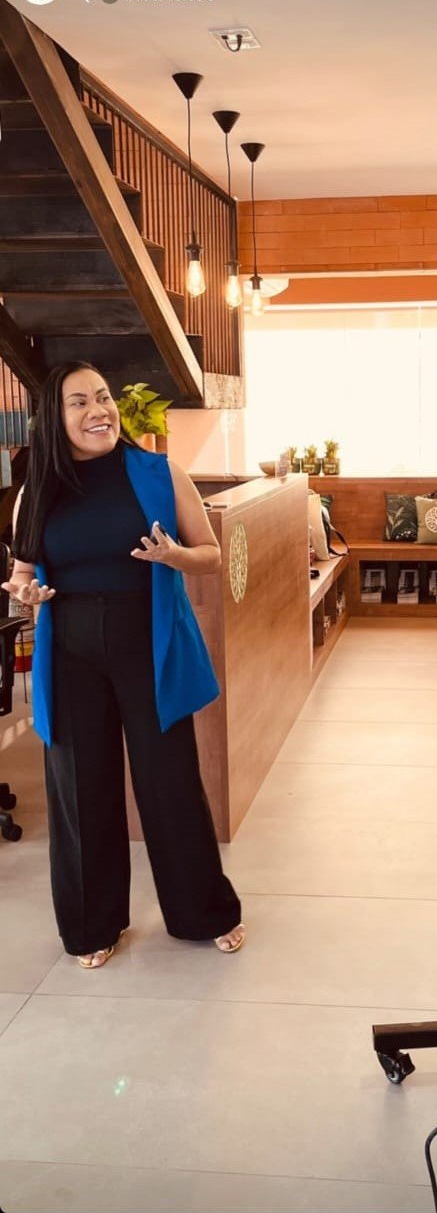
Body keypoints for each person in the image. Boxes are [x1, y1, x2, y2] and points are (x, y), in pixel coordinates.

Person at [1, 363, 245, 968]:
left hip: (148, 644)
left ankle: (202, 912)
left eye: (103, 397)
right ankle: (92, 926)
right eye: (79, 402)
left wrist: (173, 555)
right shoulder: (37, 489)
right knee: (80, 789)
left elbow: (211, 554)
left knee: (170, 783)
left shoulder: (159, 472)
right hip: (70, 651)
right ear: (55, 420)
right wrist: (25, 592)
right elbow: (23, 572)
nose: (99, 411)